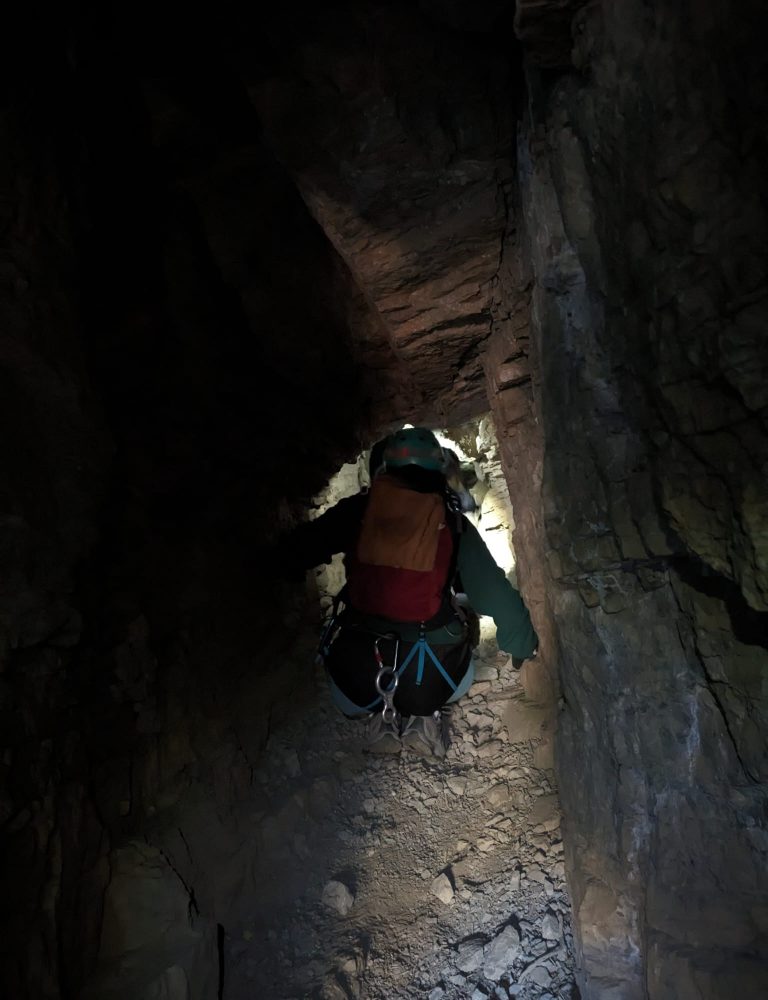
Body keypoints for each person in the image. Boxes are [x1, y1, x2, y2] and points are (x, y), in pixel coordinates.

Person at [282, 427, 538, 757]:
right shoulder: (452, 520)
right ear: (438, 468)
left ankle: (381, 719)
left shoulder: (358, 511)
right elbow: (492, 593)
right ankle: (423, 718)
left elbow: (300, 549)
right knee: (458, 622)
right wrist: (521, 644)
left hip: (359, 677)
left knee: (351, 675)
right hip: (427, 678)